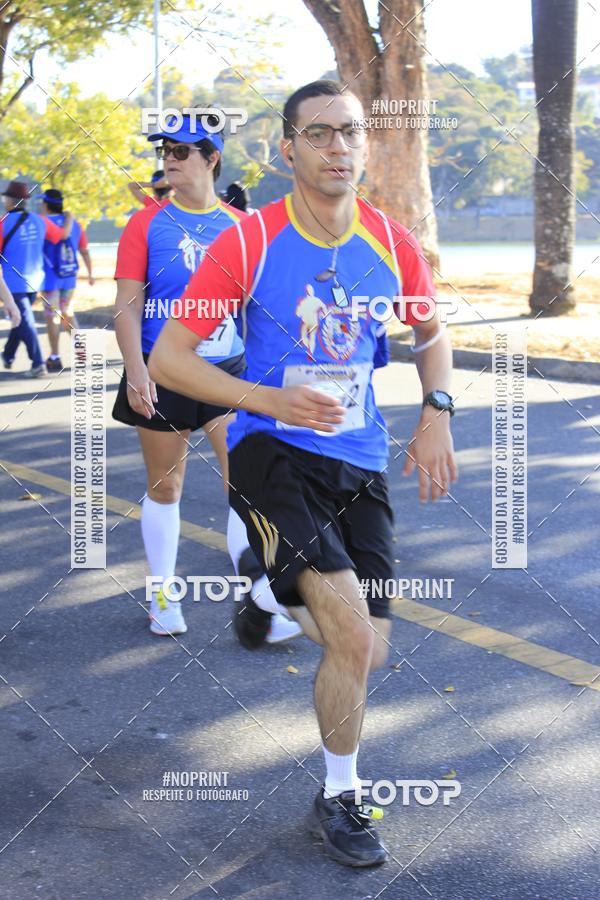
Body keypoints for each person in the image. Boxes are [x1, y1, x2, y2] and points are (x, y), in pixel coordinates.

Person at [149, 80, 458, 867]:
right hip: (269, 449)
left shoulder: (393, 241)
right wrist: (268, 397)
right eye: (319, 134)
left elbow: (429, 334)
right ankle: (342, 797)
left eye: (350, 132)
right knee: (351, 633)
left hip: (357, 458)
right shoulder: (248, 242)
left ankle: (261, 588)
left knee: (368, 650)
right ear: (287, 149)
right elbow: (170, 357)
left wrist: (437, 414)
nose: (338, 148)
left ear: (367, 142)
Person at [113, 113, 301, 645]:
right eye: (164, 151)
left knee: (245, 486)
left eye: (182, 151)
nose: (169, 159)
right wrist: (135, 371)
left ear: (212, 158)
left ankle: (262, 605)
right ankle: (163, 596)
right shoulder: (145, 223)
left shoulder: (243, 227)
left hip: (228, 372)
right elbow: (127, 304)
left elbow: (259, 308)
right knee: (166, 485)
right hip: (163, 370)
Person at [1, 181, 73, 377]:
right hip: (35, 280)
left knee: (24, 319)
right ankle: (7, 354)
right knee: (22, 318)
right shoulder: (40, 220)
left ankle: (37, 364)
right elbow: (62, 235)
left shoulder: (2, 223)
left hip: (12, 283)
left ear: (9, 200)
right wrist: (69, 218)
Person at [40, 188, 94, 373]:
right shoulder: (76, 224)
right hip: (70, 277)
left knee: (52, 317)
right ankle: (82, 353)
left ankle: (55, 356)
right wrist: (90, 273)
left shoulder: (43, 223)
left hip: (50, 278)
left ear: (46, 204)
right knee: (67, 313)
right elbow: (84, 250)